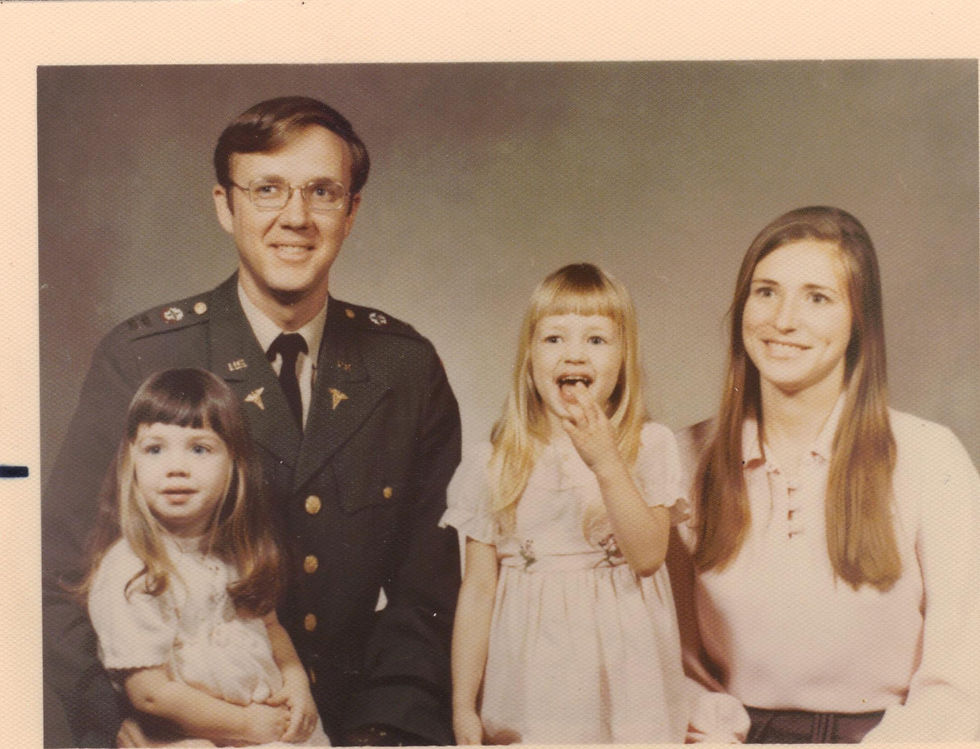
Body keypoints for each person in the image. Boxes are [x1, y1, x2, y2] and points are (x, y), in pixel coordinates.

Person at [42, 96, 462, 747]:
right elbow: (58, 573)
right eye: (267, 189)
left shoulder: (406, 369)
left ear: (351, 212)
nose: (295, 218)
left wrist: (384, 729)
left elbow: (428, 600)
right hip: (182, 727)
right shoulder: (145, 357)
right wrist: (119, 717)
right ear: (224, 204)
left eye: (322, 192)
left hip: (350, 724)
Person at [672, 206, 980, 743]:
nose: (783, 320)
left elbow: (963, 675)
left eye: (818, 297)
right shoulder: (684, 458)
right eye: (766, 291)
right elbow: (662, 655)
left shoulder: (930, 458)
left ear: (859, 320)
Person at [442, 263, 690, 744]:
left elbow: (647, 556)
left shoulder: (648, 446)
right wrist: (462, 704)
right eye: (554, 338)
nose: (573, 353)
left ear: (624, 358)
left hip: (628, 677)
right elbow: (477, 592)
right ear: (529, 358)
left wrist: (606, 464)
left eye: (596, 340)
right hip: (533, 683)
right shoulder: (495, 463)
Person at [81, 368, 329, 746]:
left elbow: (271, 627)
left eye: (199, 449)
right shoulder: (133, 569)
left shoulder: (237, 550)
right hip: (198, 733)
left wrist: (297, 685)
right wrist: (244, 726)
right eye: (155, 449)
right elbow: (150, 693)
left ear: (234, 465)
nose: (176, 466)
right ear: (132, 462)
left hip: (268, 722)